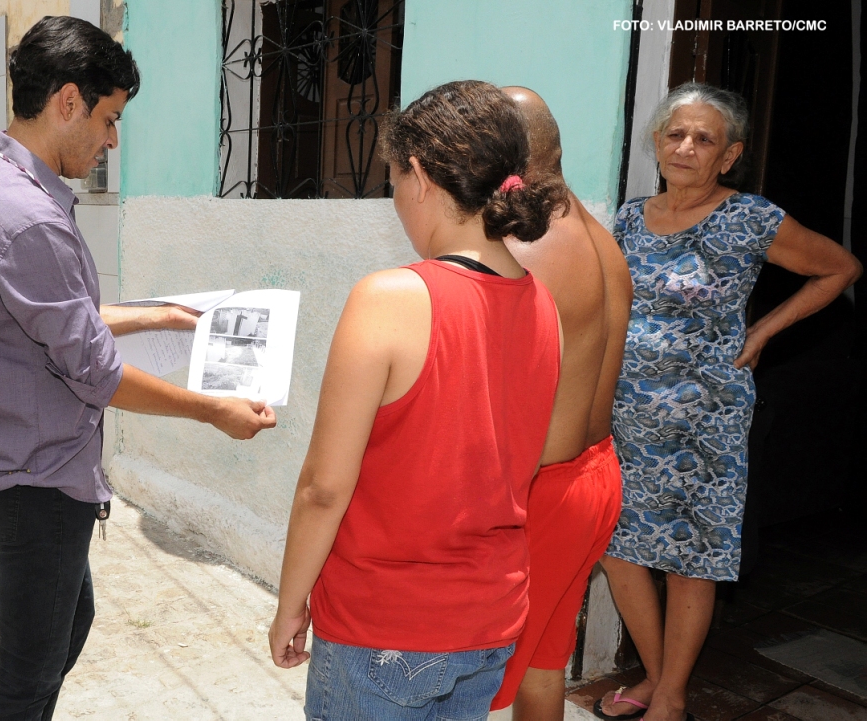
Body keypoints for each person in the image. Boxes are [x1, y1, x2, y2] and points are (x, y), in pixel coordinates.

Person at [0, 17, 275, 720]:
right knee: (30, 671)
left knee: (67, 627)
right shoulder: (26, 216)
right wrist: (212, 409)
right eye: (109, 118)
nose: (111, 140)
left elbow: (54, 314)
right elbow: (95, 370)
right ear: (68, 101)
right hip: (33, 474)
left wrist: (158, 314)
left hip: (19, 458)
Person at [267, 80, 568, 718]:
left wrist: (291, 602)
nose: (396, 199)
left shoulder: (389, 298)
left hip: (385, 627)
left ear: (421, 176)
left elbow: (324, 486)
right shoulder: (544, 303)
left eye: (394, 179)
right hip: (490, 621)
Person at [597, 82, 862, 721]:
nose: (685, 146)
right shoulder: (629, 218)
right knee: (617, 545)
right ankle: (658, 681)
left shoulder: (752, 218)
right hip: (625, 413)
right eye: (674, 134)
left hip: (705, 419)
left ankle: (672, 696)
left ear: (729, 155)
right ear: (657, 143)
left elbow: (840, 268)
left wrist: (764, 330)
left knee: (693, 556)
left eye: (703, 138)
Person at [489, 87, 633, 720]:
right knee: (543, 661)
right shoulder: (599, 238)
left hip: (543, 492)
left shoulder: (523, 249)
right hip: (596, 473)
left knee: (467, 667)